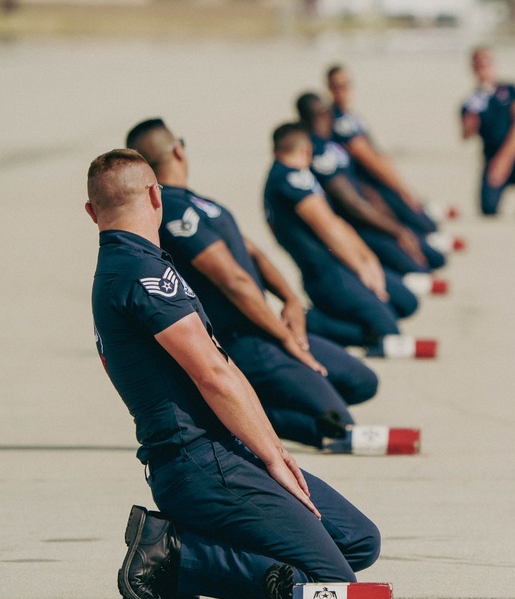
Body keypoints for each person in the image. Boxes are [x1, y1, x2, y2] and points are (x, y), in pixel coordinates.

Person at [86, 149, 380, 599]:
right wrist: (273, 457)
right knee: (330, 587)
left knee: (359, 541)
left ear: (91, 212)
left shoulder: (127, 269)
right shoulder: (142, 275)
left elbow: (219, 369)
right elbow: (214, 374)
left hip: (219, 452)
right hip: (202, 461)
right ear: (154, 195)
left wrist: (271, 452)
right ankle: (176, 557)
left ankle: (194, 553)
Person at [125, 118, 378, 449]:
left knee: (362, 382)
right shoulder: (171, 208)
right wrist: (284, 336)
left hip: (266, 328)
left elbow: (254, 253)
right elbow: (232, 279)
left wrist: (290, 301)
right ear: (178, 151)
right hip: (243, 340)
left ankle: (253, 396)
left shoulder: (201, 203)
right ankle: (225, 411)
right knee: (338, 425)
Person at [263, 122, 426, 351]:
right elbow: (328, 228)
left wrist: (369, 260)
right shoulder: (292, 179)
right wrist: (362, 268)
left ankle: (332, 316)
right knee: (387, 332)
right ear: (306, 150)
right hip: (327, 273)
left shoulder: (285, 175)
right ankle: (311, 323)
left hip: (335, 266)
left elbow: (337, 224)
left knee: (405, 302)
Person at [295, 92, 446, 276]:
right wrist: (396, 230)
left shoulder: (329, 143)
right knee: (419, 271)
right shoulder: (318, 152)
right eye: (323, 113)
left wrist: (387, 213)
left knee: (435, 257)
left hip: (370, 213)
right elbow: (353, 204)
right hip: (359, 226)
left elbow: (359, 184)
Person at [326, 64, 441, 236]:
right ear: (330, 88)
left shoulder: (352, 117)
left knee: (425, 222)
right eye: (338, 86)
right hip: (370, 184)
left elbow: (376, 152)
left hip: (381, 180)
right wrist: (402, 188)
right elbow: (368, 158)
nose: (343, 90)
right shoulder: (339, 121)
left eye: (346, 85)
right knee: (421, 226)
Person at [461, 46, 515, 217]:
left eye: (486, 63)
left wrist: (503, 160)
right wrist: (473, 113)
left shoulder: (512, 90)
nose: (483, 69)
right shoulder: (472, 101)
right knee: (488, 209)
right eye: (478, 65)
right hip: (490, 155)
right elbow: (466, 135)